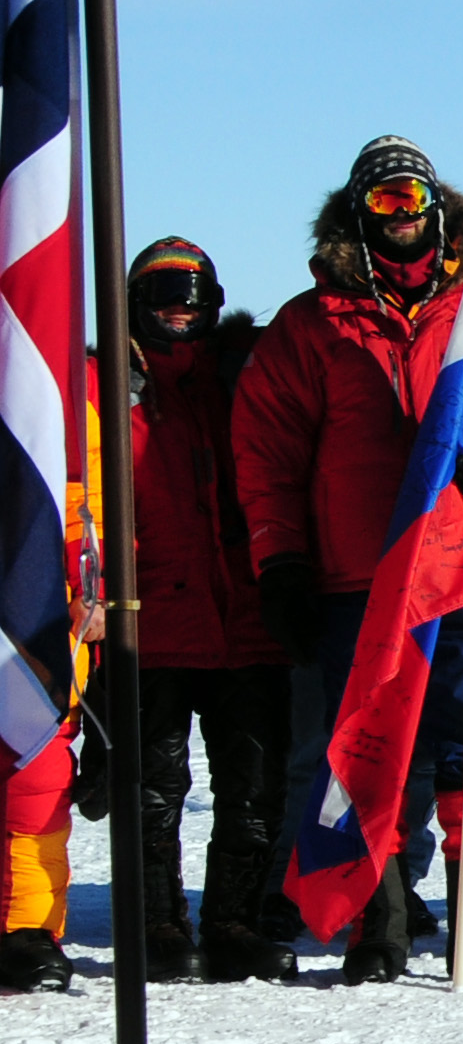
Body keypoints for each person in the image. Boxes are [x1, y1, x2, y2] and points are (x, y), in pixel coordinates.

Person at [231, 135, 463, 983]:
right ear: (357, 214)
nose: (401, 218)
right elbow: (266, 458)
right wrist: (280, 563)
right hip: (360, 576)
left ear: (439, 211)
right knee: (367, 745)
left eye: (412, 201)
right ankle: (375, 923)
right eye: (382, 203)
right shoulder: (309, 325)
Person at [123, 237, 299, 982]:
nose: (181, 306)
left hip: (249, 621)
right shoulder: (103, 386)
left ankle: (233, 922)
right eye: (164, 291)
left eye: (195, 292)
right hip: (152, 626)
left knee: (254, 786)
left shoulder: (251, 374)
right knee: (154, 793)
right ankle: (157, 925)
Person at [0, 397, 103, 993]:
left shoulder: (50, 387)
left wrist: (94, 586)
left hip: (33, 625)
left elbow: (81, 511)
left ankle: (28, 931)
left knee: (35, 777)